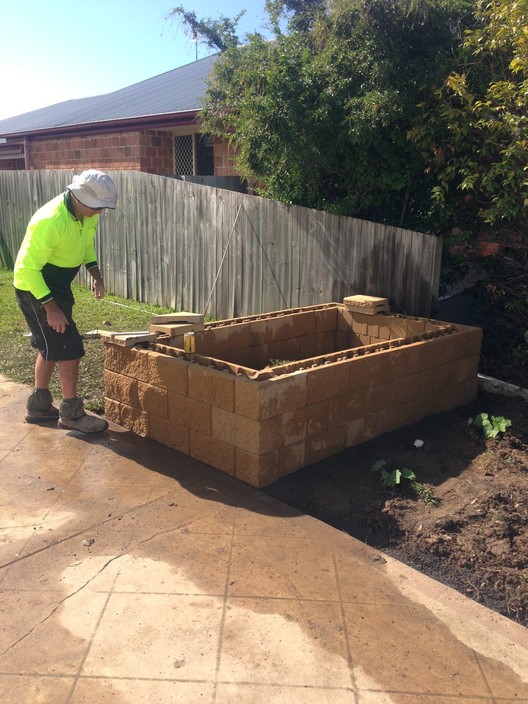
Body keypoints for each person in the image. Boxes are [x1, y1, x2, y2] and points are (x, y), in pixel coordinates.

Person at [13, 169, 117, 433]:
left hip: (57, 286)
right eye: (97, 207)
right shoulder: (50, 220)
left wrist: (97, 275)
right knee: (70, 348)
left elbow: (87, 245)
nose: (100, 213)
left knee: (51, 345)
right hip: (35, 288)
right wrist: (51, 308)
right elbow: (27, 269)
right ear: (79, 198)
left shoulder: (86, 213)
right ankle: (71, 413)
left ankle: (39, 406)